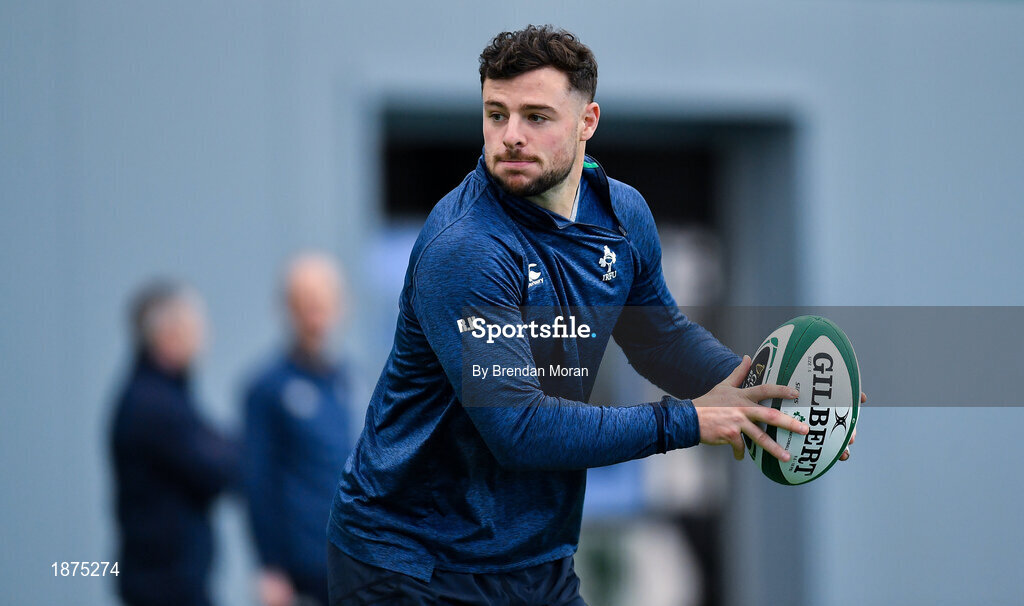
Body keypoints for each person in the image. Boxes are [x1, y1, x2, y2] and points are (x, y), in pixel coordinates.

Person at [326, 25, 860, 605]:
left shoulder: (622, 215)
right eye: (496, 114)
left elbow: (659, 339)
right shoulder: (468, 248)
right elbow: (519, 431)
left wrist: (764, 397)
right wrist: (689, 421)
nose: (510, 136)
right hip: (412, 563)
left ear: (588, 121)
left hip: (535, 558)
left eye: (536, 116)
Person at [110, 281, 239, 606]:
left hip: (173, 579)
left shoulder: (167, 395)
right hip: (163, 585)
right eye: (194, 327)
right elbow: (216, 467)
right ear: (168, 335)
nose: (203, 336)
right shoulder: (153, 404)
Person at [242, 253, 354, 606]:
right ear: (288, 308)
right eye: (305, 302)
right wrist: (270, 566)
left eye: (322, 301)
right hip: (301, 567)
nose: (314, 314)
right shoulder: (268, 388)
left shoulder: (351, 380)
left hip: (352, 558)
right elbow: (257, 481)